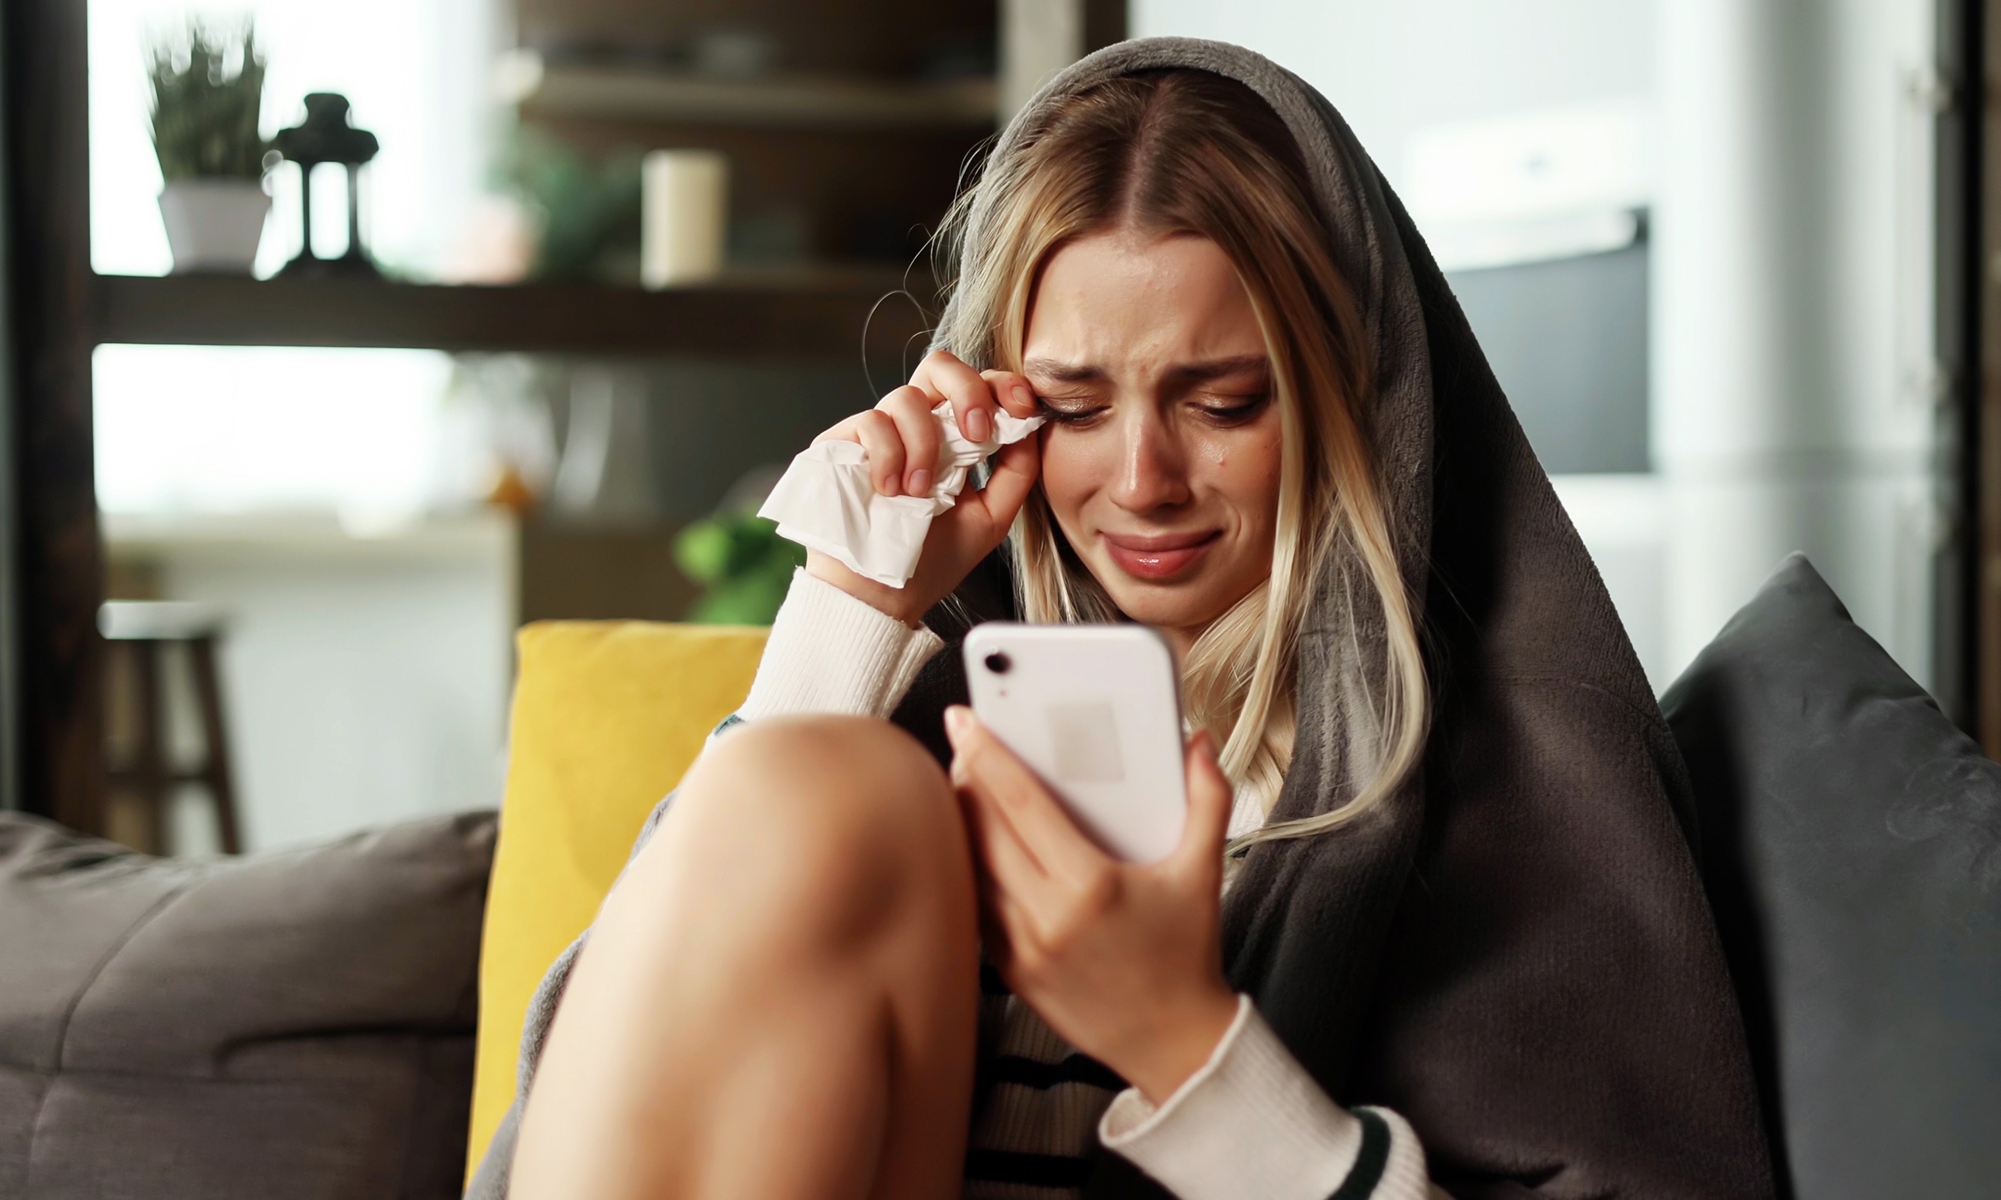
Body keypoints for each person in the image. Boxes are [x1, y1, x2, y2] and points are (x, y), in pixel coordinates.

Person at [470, 39, 1774, 1200]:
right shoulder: (912, 719)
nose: (1141, 481)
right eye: (1076, 408)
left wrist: (1184, 1043)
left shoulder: (1506, 786)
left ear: (1347, 399)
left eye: (1221, 402)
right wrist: (853, 611)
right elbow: (599, 1111)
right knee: (817, 787)